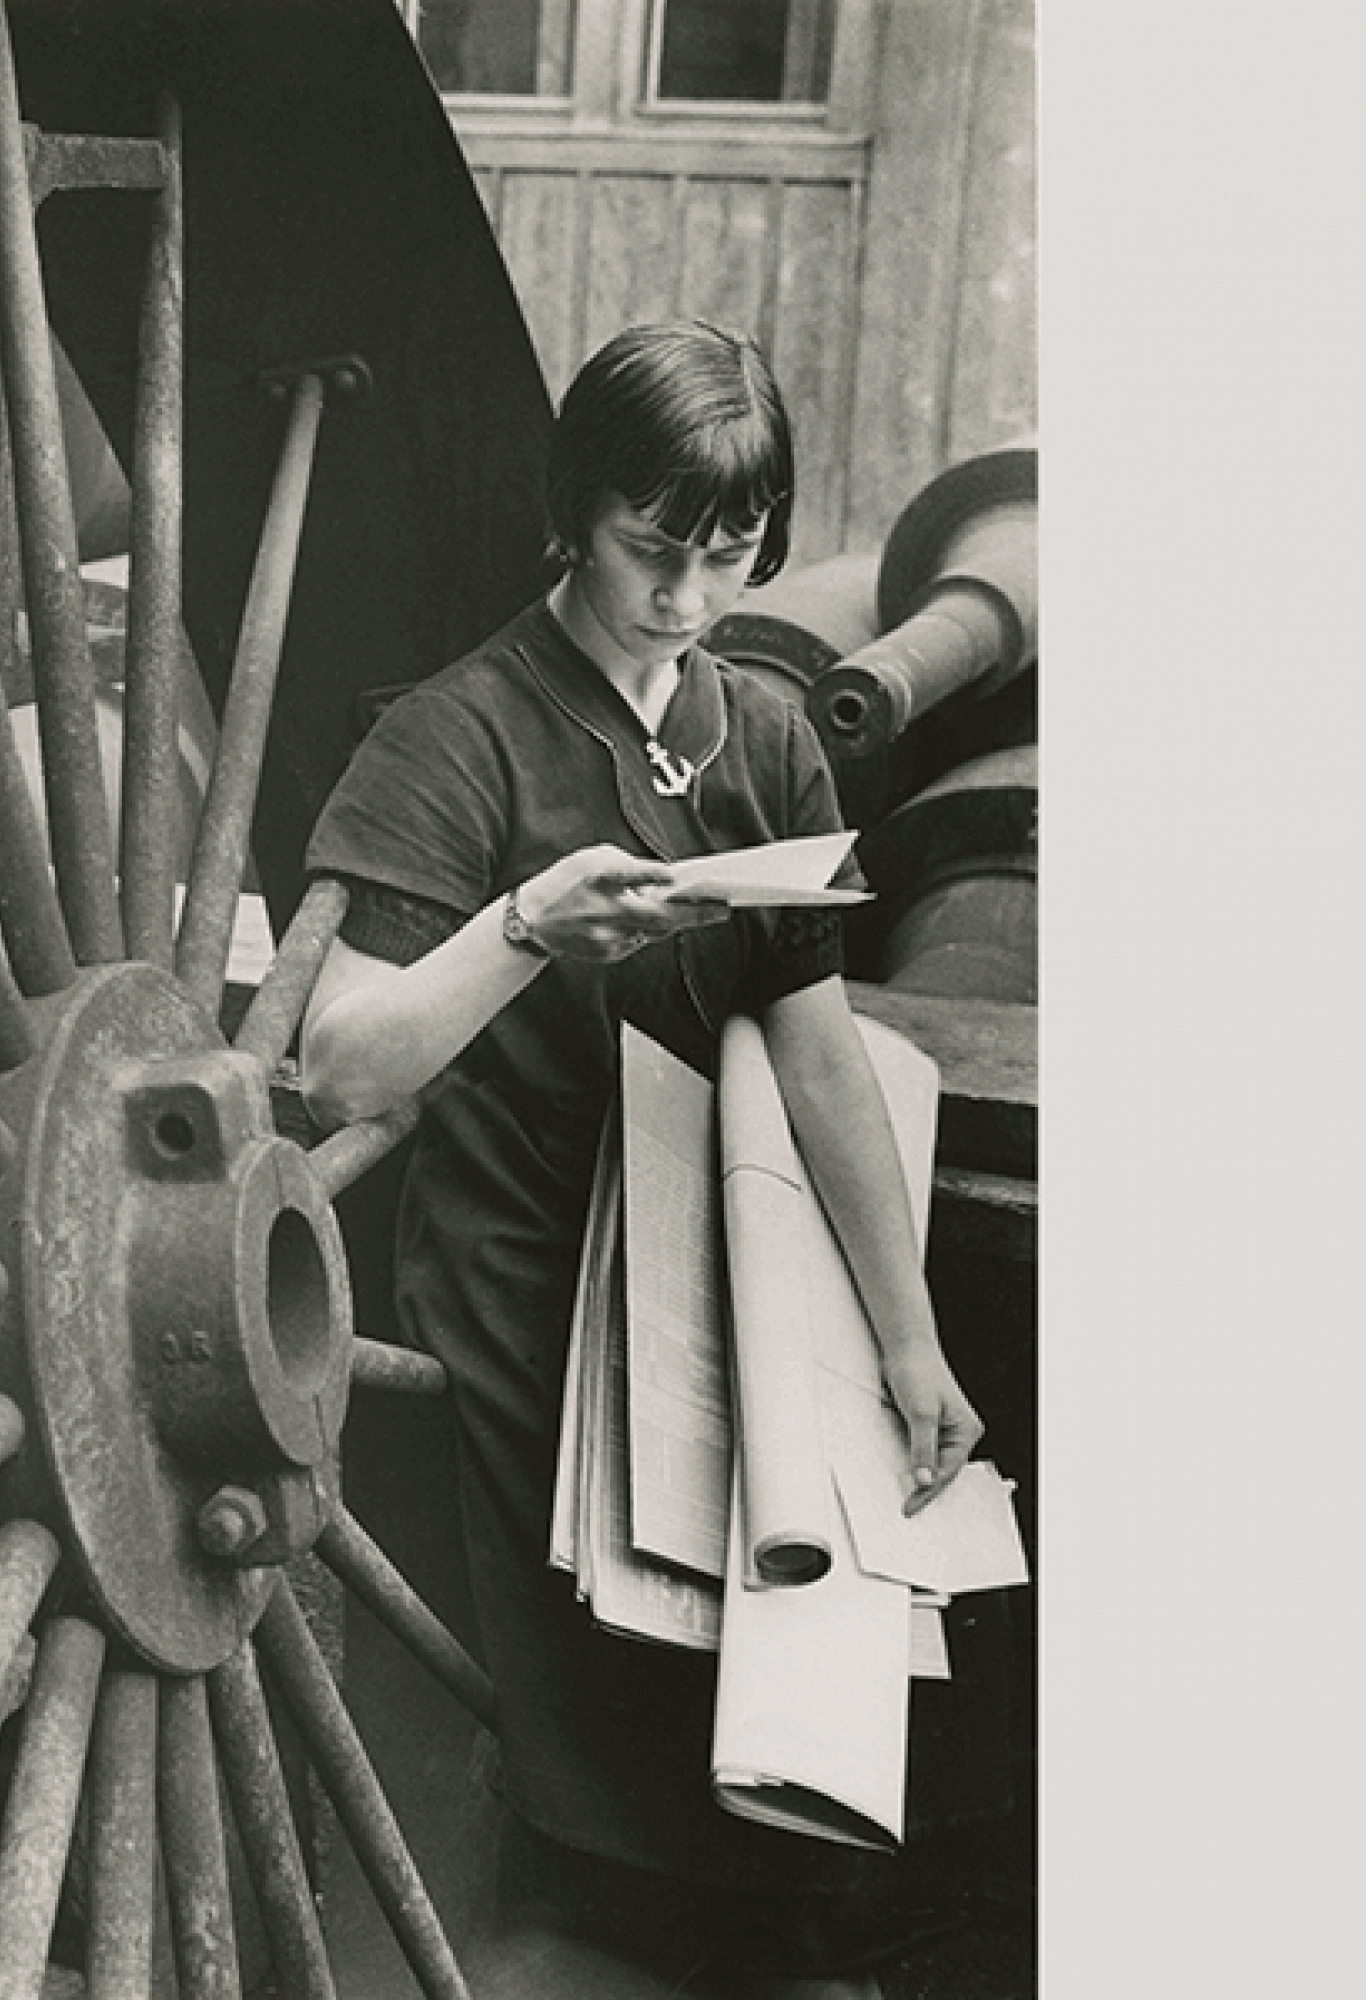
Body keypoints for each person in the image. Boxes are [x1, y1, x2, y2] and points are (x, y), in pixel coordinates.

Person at [298, 321, 1007, 1998]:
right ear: (575, 512)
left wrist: (911, 1343)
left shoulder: (762, 734)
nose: (688, 594)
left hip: (719, 1273)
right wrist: (528, 923)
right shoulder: (457, 737)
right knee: (615, 1770)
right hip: (526, 1281)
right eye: (651, 548)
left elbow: (822, 1056)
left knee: (801, 1663)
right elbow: (339, 1062)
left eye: (733, 553)